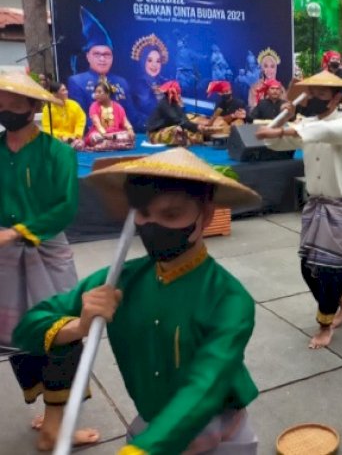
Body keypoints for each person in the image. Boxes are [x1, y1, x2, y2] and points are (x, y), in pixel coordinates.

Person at [13, 148, 263, 454]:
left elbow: (205, 387)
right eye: (144, 214)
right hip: (150, 424)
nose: (153, 225)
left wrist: (142, 450)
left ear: (206, 215)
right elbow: (27, 328)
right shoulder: (119, 281)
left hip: (217, 431)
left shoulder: (229, 300)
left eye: (171, 215)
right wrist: (79, 326)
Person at [0, 71, 98, 451]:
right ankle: (53, 414)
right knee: (18, 338)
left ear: (34, 106)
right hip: (5, 261)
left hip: (46, 253)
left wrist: (17, 232)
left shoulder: (59, 153)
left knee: (63, 330)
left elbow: (65, 208)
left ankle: (55, 424)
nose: (4, 106)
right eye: (1, 100)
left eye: (12, 100)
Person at [256, 71, 342, 350]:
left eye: (320, 95)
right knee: (308, 267)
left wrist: (284, 127)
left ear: (337, 97)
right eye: (310, 94)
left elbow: (323, 132)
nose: (313, 99)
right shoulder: (306, 123)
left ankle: (325, 325)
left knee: (332, 269)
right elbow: (272, 142)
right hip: (317, 202)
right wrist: (285, 114)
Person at [67, 7, 135, 122]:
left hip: (122, 134)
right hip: (95, 135)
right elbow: (80, 118)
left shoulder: (121, 82)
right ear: (88, 56)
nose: (102, 59)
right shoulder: (76, 82)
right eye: (97, 54)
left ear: (112, 58)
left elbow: (132, 115)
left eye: (107, 54)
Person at [77, 81, 135, 152]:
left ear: (108, 93)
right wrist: (105, 135)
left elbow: (125, 121)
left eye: (99, 92)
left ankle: (107, 145)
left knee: (129, 135)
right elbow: (97, 124)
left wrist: (130, 129)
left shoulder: (118, 106)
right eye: (95, 92)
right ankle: (117, 144)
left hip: (115, 133)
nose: (96, 95)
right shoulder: (94, 106)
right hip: (100, 133)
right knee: (95, 138)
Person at [130, 34, 169, 132]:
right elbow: (135, 113)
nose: (154, 65)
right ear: (143, 61)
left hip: (166, 130)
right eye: (149, 60)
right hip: (144, 131)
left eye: (158, 61)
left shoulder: (167, 83)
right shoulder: (136, 85)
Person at [146, 81, 204, 146]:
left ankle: (187, 140)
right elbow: (176, 119)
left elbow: (184, 119)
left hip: (169, 128)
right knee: (177, 130)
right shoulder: (164, 103)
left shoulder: (176, 103)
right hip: (156, 132)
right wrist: (194, 127)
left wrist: (196, 127)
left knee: (191, 131)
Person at [41, 81, 86, 147]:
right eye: (63, 90)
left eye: (66, 89)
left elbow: (81, 121)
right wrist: (62, 136)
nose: (66, 92)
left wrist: (76, 135)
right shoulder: (47, 108)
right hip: (58, 139)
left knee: (79, 144)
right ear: (54, 93)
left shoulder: (74, 104)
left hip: (74, 138)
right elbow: (47, 128)